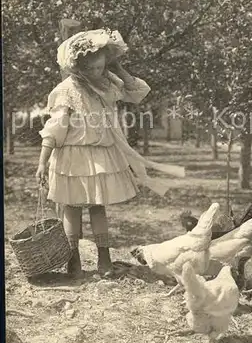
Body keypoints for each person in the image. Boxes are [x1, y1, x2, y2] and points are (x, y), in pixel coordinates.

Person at [36, 28, 184, 279]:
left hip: (100, 155)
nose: (95, 73)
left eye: (99, 67)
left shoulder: (108, 83)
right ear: (78, 67)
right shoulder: (66, 90)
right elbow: (54, 129)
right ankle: (74, 259)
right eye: (90, 68)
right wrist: (42, 162)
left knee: (97, 205)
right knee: (71, 207)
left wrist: (117, 67)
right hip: (73, 155)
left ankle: (104, 257)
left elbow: (138, 92)